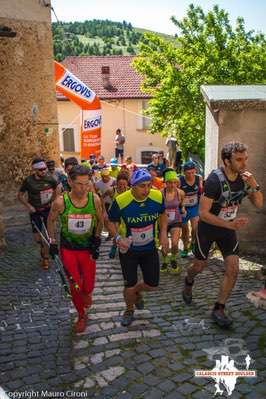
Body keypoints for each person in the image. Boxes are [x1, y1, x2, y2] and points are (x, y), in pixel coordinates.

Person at [182, 142, 263, 328]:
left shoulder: (245, 178)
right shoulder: (213, 181)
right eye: (239, 160)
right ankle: (189, 280)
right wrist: (229, 223)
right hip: (208, 228)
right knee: (199, 265)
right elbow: (203, 213)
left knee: (233, 268)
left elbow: (258, 204)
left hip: (228, 229)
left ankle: (219, 308)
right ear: (227, 161)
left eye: (245, 159)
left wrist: (254, 185)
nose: (244, 164)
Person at [108, 169, 168, 326]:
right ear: (132, 186)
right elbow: (110, 221)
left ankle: (137, 291)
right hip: (129, 250)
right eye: (142, 186)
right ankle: (129, 310)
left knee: (152, 285)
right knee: (129, 285)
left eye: (149, 185)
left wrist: (163, 234)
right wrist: (117, 238)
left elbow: (163, 215)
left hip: (149, 248)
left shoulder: (157, 196)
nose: (147, 190)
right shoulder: (121, 200)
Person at [47, 165, 103, 333]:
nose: (83, 188)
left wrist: (97, 239)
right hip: (69, 249)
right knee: (75, 285)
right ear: (70, 182)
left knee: (88, 286)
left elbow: (100, 220)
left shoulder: (94, 200)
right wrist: (52, 242)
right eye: (79, 184)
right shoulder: (60, 202)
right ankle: (81, 315)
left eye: (87, 184)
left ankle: (86, 294)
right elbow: (51, 221)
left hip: (87, 249)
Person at [18, 158, 59, 270]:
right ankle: (43, 247)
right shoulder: (28, 181)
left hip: (47, 210)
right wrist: (29, 206)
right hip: (35, 211)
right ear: (35, 170)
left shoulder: (51, 179)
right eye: (41, 170)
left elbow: (57, 189)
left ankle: (46, 258)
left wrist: (53, 202)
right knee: (37, 238)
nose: (44, 171)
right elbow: (20, 196)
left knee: (47, 234)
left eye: (44, 169)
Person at [161, 169, 186, 273]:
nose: (172, 185)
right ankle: (165, 260)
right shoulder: (160, 193)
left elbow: (182, 203)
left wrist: (183, 208)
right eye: (169, 182)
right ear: (166, 183)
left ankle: (173, 259)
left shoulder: (180, 193)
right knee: (165, 245)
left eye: (174, 182)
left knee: (175, 243)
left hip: (176, 220)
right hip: (163, 222)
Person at [179, 161, 203, 257]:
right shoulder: (180, 180)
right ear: (184, 172)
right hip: (183, 208)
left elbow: (201, 192)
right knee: (185, 230)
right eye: (188, 173)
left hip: (194, 207)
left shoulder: (199, 178)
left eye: (193, 172)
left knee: (195, 228)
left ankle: (193, 243)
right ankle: (185, 247)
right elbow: (177, 194)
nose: (191, 175)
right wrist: (181, 206)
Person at [107, 172, 130, 259]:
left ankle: (125, 247)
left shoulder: (130, 191)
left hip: (125, 214)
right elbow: (101, 197)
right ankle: (114, 247)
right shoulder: (112, 190)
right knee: (116, 232)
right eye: (120, 184)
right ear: (117, 183)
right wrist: (104, 211)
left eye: (124, 184)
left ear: (127, 183)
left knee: (125, 232)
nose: (122, 186)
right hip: (115, 215)